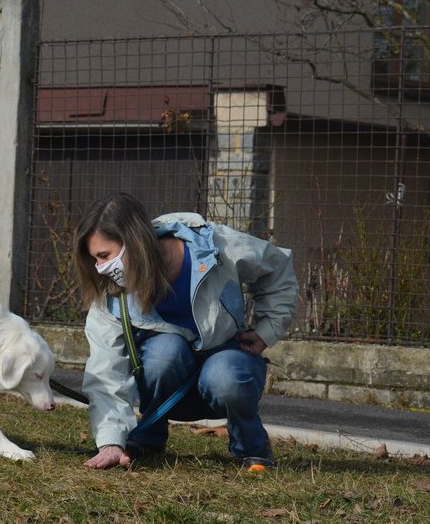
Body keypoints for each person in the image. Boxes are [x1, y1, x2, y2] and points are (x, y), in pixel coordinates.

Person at [73, 192, 298, 471]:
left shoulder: (213, 245)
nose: (101, 268)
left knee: (226, 374)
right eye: (95, 259)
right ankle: (146, 438)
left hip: (225, 368)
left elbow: (276, 268)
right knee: (162, 353)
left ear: (134, 241)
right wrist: (111, 442)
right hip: (169, 385)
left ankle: (252, 447)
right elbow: (105, 372)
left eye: (104, 256)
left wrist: (267, 329)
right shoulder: (111, 296)